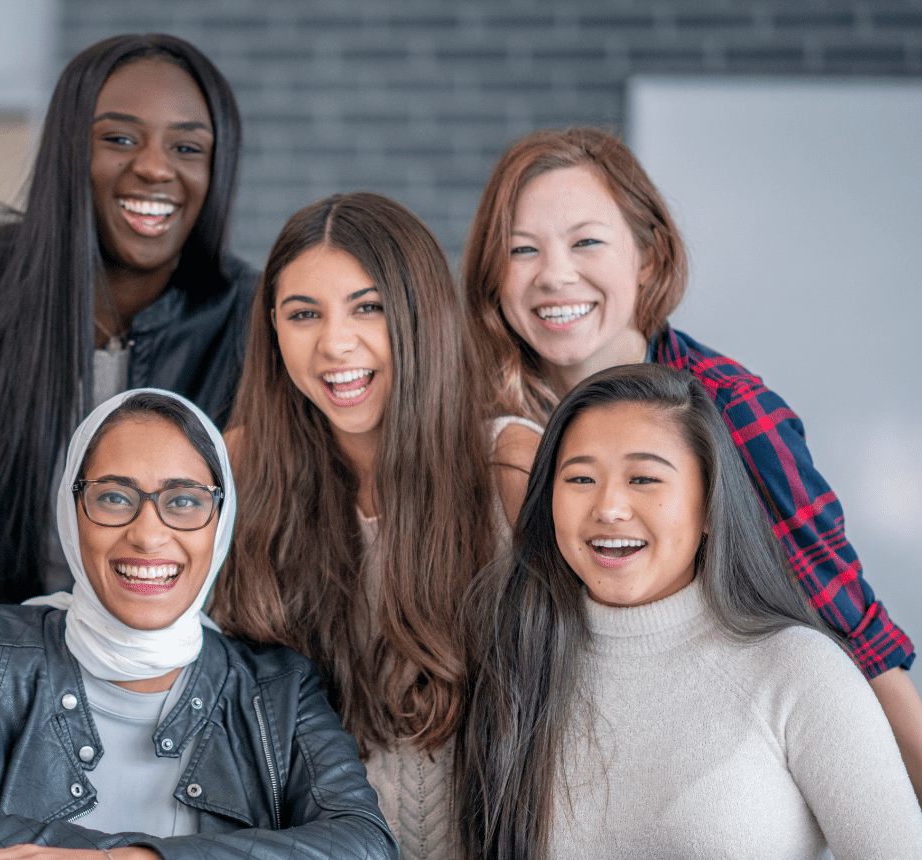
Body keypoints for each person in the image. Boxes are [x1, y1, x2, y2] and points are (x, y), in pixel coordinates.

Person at [459, 125, 922, 797]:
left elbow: (856, 637)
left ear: (647, 256)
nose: (555, 274)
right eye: (521, 250)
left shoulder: (731, 412)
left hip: (713, 778)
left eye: (587, 241)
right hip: (547, 780)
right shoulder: (471, 418)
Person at [0, 390, 396, 860]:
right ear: (73, 513)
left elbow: (364, 844)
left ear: (220, 522)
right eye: (114, 497)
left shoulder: (280, 688)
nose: (148, 534)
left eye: (184, 500)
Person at [456, 363, 922, 858]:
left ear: (707, 505)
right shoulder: (516, 668)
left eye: (643, 478)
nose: (609, 507)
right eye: (581, 478)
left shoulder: (800, 670)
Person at [0, 33, 256, 616]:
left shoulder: (252, 322)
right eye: (120, 139)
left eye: (187, 148)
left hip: (163, 685)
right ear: (68, 149)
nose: (155, 167)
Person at [210, 192, 496, 857]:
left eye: (368, 308)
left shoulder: (508, 470)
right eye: (304, 314)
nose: (335, 343)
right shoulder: (234, 470)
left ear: (421, 314)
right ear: (273, 329)